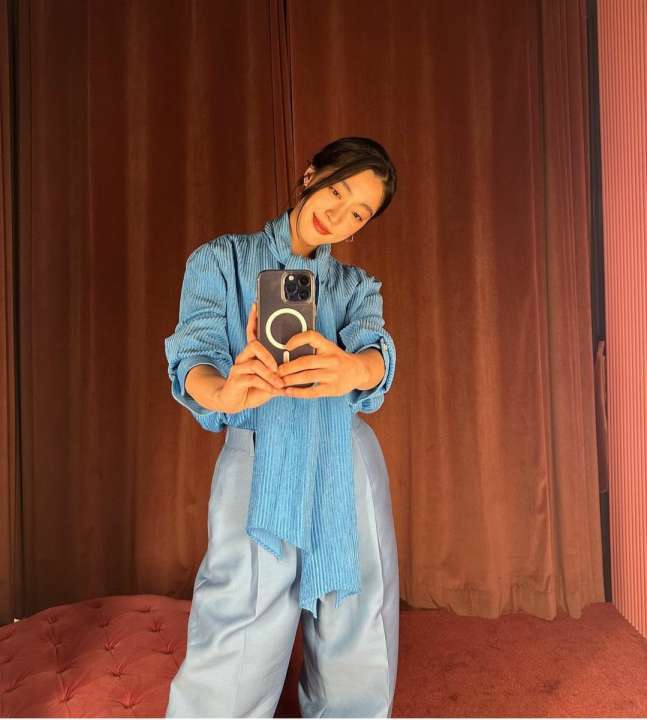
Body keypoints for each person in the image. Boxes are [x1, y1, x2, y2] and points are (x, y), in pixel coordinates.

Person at [164, 136, 399, 718]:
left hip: (343, 456)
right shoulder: (221, 260)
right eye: (338, 191)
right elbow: (193, 354)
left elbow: (376, 350)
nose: (338, 216)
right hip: (256, 451)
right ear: (311, 174)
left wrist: (353, 369)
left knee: (356, 611)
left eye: (358, 213)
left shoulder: (355, 286)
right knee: (241, 611)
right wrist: (223, 390)